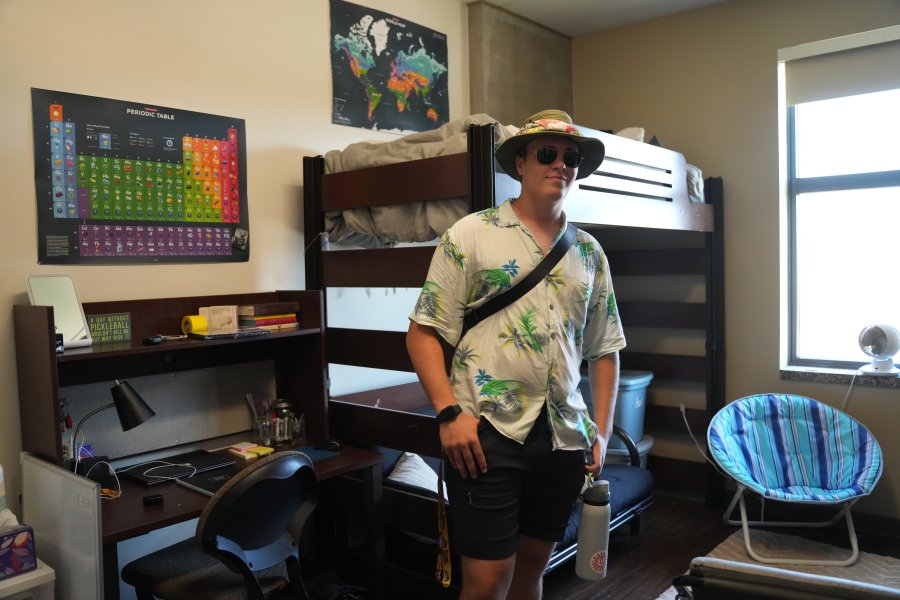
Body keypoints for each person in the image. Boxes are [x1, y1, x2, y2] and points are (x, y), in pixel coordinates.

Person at [406, 109, 626, 600]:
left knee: (532, 570)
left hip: (564, 437)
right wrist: (447, 414)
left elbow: (605, 348)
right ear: (521, 163)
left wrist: (603, 431)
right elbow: (422, 333)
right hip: (486, 434)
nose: (560, 165)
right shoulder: (470, 235)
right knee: (486, 582)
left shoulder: (589, 252)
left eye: (570, 157)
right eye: (547, 154)